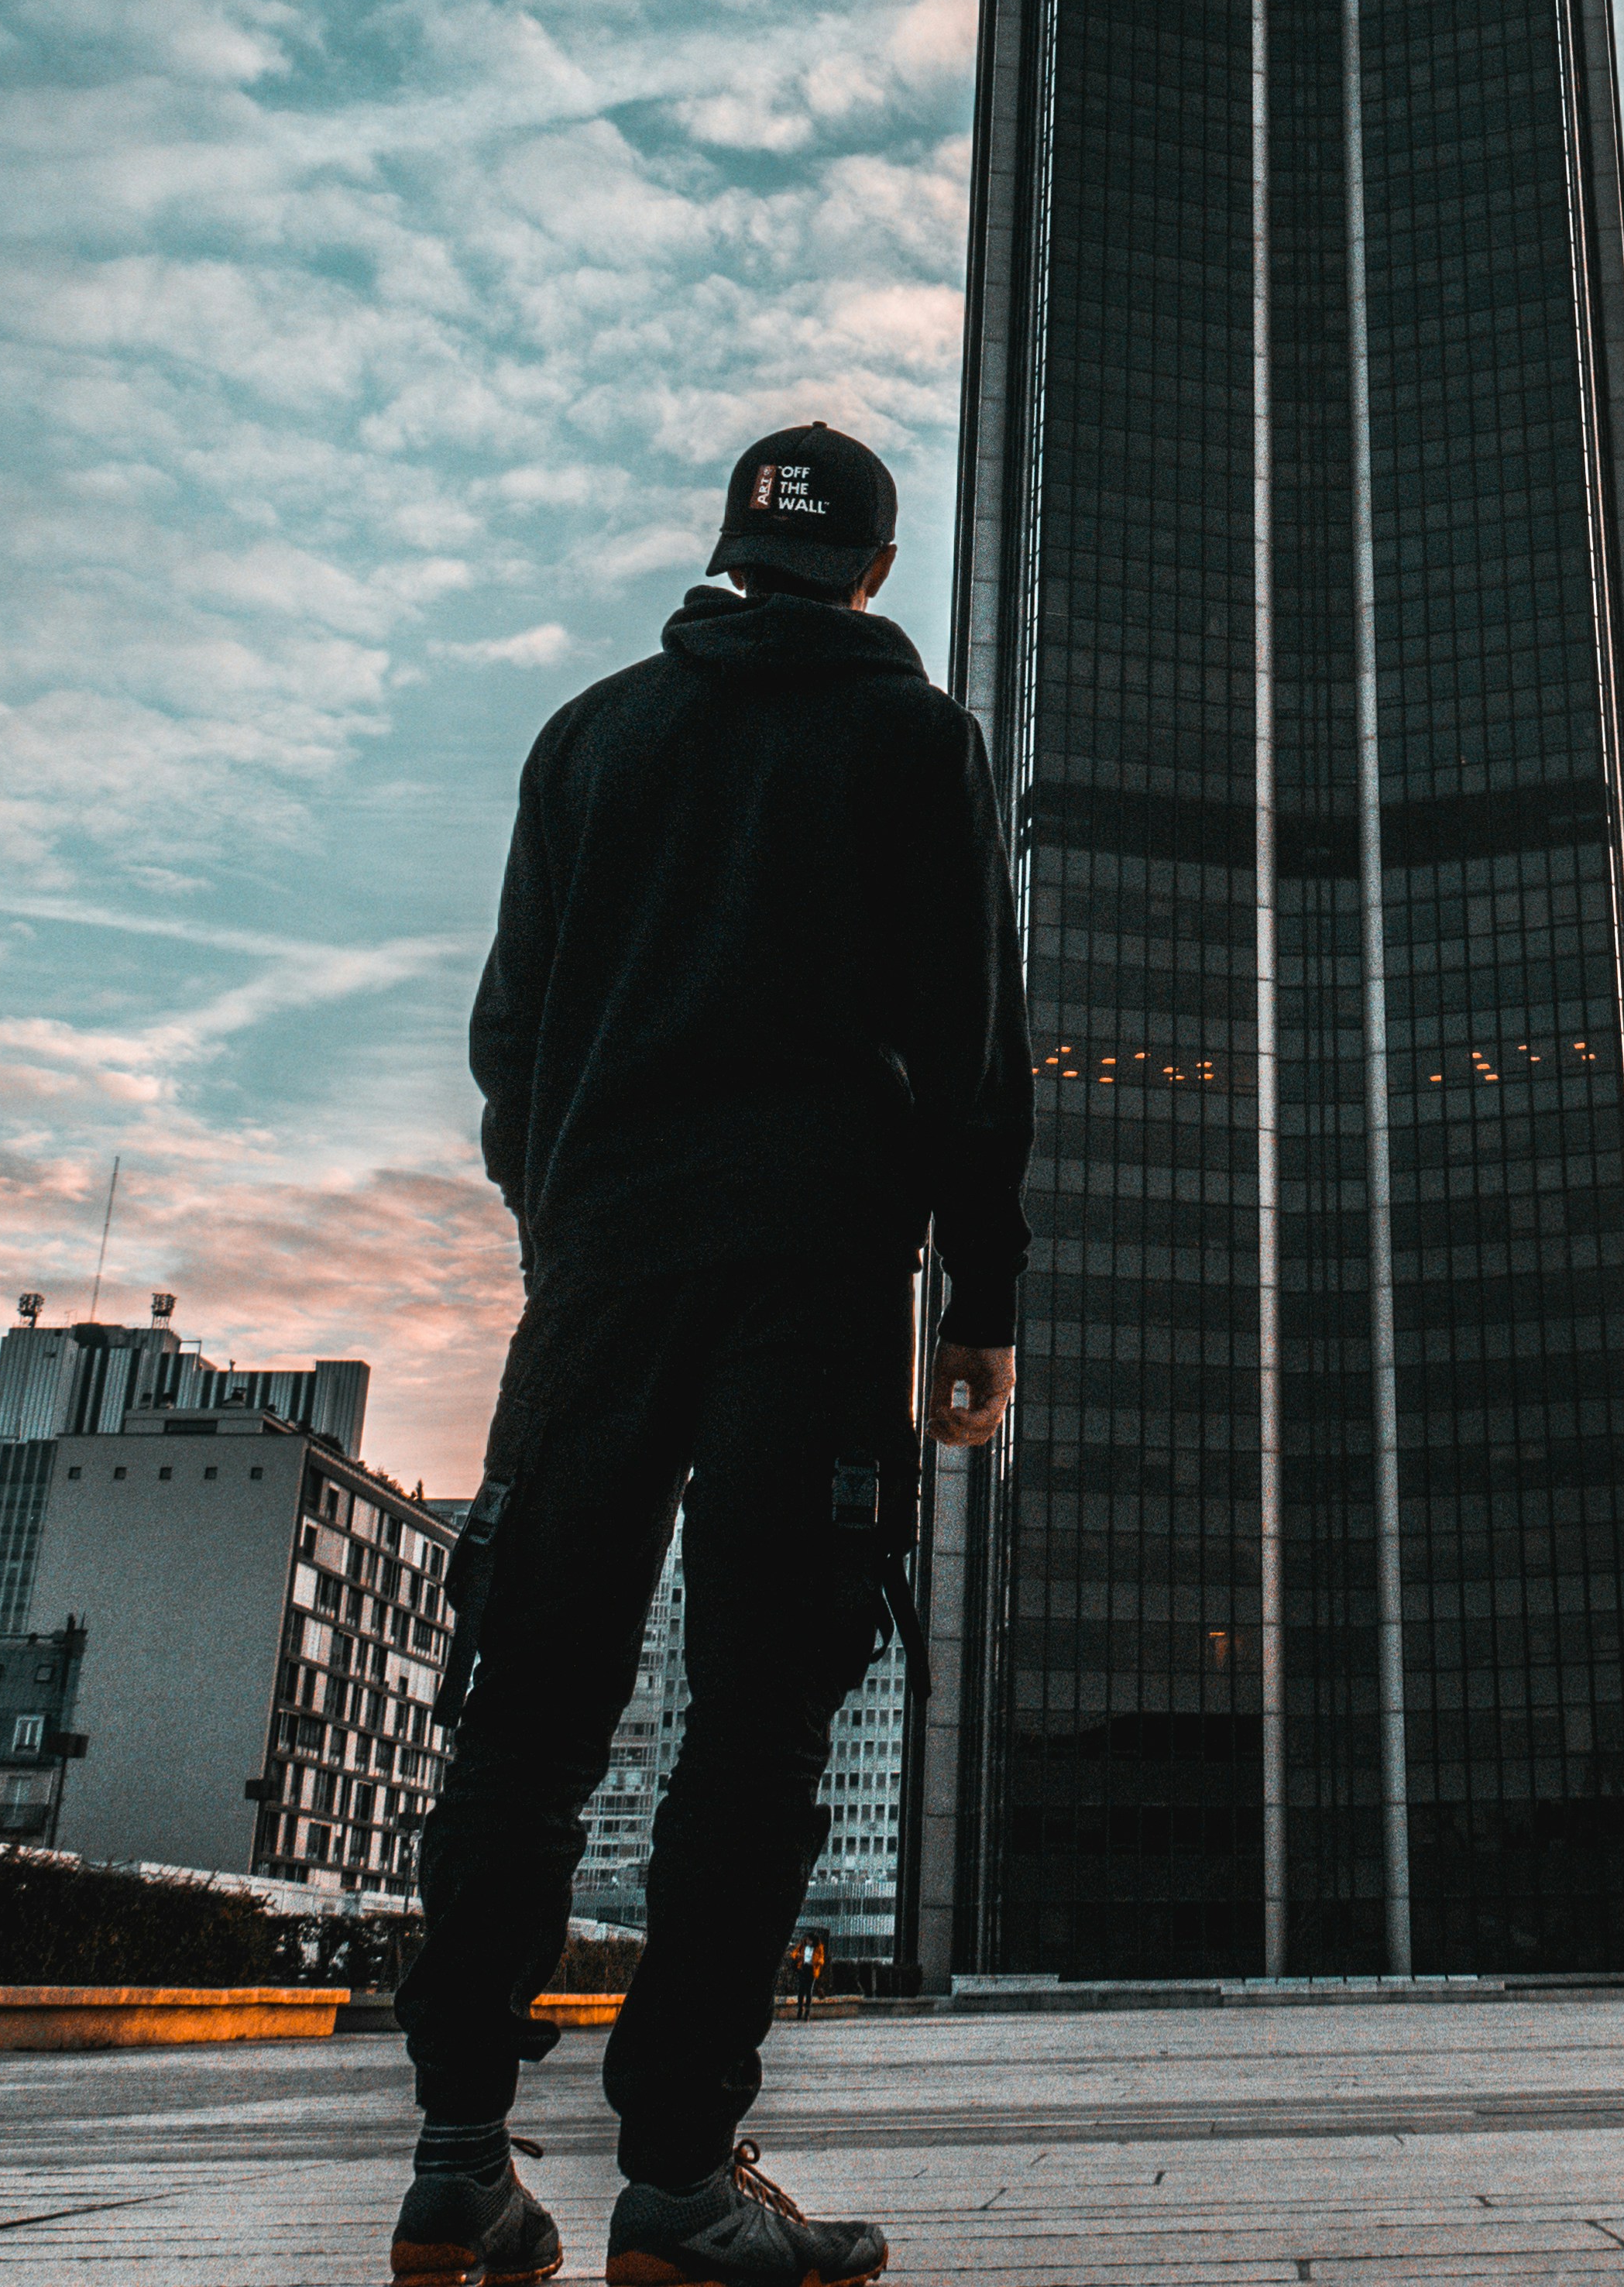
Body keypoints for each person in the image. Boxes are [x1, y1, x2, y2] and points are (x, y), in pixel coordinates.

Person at [389, 424, 1032, 2287]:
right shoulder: (915, 745)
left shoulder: (592, 734)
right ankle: (673, 2175)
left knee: (528, 1699)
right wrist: (976, 1297)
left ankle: (454, 2157)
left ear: (728, 549)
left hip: (600, 1275)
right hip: (817, 1281)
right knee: (756, 1716)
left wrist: (564, 1220)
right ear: (877, 574)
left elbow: (513, 1031)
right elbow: (973, 1040)